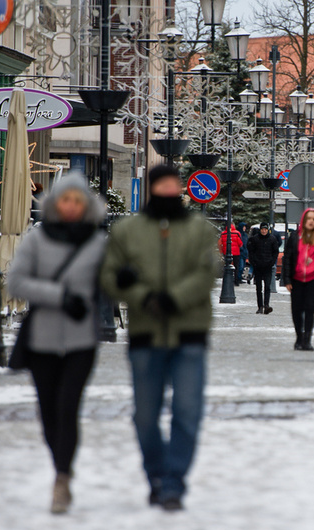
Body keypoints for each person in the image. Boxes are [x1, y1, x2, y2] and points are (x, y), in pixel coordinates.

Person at [101, 164, 219, 512]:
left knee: (187, 410)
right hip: (145, 333)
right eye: (162, 185)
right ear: (152, 189)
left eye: (174, 185)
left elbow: (207, 270)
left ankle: (174, 482)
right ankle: (155, 474)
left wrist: (175, 298)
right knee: (145, 415)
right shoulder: (127, 230)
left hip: (189, 333)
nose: (169, 191)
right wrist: (141, 296)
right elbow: (109, 274)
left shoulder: (199, 229)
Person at [6, 172, 106, 514]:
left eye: (78, 201)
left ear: (87, 206)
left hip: (81, 341)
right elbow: (16, 282)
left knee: (68, 407)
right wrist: (60, 296)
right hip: (42, 340)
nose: (72, 207)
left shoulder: (97, 242)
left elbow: (110, 279)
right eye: (66, 200)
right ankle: (60, 465)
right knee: (48, 411)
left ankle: (61, 478)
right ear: (55, 203)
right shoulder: (37, 238)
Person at [282, 208, 314, 351]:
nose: (311, 221)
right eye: (308, 218)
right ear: (303, 220)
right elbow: (288, 258)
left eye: (313, 219)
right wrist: (287, 279)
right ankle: (299, 337)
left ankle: (307, 340)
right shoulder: (294, 237)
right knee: (296, 310)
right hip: (296, 279)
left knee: (310, 309)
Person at [247, 221, 280, 314]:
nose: (264, 231)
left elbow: (275, 252)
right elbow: (251, 252)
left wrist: (272, 262)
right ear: (260, 230)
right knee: (258, 287)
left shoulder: (272, 239)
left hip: (268, 266)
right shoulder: (255, 239)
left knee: (267, 287)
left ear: (268, 230)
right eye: (262, 229)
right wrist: (254, 262)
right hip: (258, 266)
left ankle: (266, 305)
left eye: (265, 229)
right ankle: (260, 306)